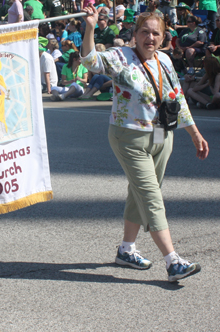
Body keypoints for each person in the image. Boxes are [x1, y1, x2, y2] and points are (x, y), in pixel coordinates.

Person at [81, 5, 209, 282]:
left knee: (140, 192)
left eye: (155, 33)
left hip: (163, 134)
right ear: (135, 34)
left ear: (163, 37)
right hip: (129, 136)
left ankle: (126, 250)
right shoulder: (120, 57)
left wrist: (195, 134)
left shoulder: (164, 61)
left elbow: (177, 98)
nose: (149, 38)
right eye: (144, 32)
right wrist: (90, 27)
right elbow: (90, 61)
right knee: (151, 196)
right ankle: (172, 260)